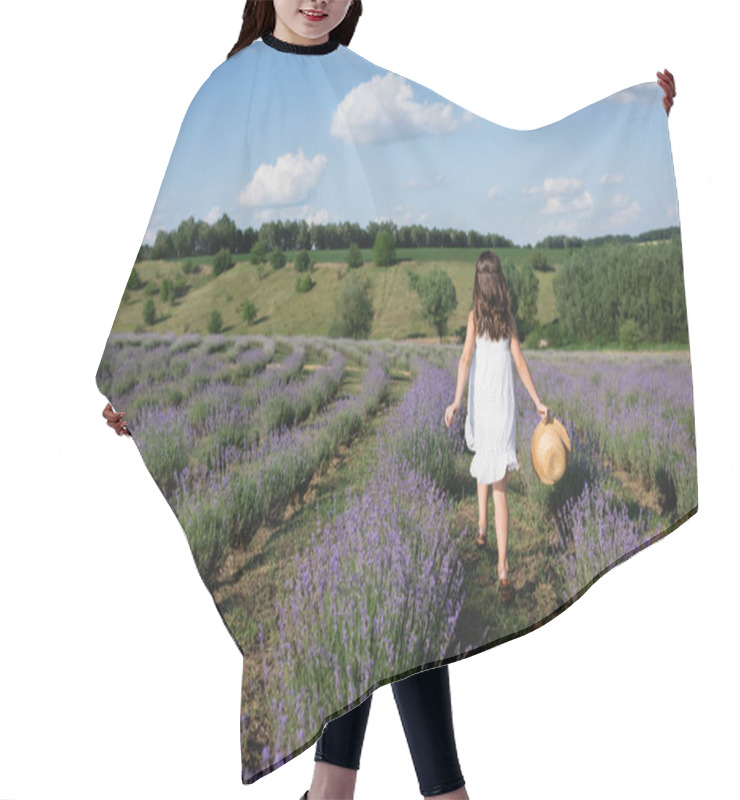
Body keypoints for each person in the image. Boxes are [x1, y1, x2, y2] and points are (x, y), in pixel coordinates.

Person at [100, 2, 677, 798]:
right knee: (389, 611)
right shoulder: (226, 92)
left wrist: (632, 118)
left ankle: (345, 790)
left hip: (415, 354)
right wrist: (140, 388)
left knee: (390, 610)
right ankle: (416, 791)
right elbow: (173, 228)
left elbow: (485, 160)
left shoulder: (366, 85)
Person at [444, 251, 549, 606]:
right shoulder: (507, 320)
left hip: (482, 407)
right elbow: (520, 362)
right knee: (499, 485)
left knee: (483, 466)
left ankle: (481, 527)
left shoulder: (475, 318)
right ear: (500, 282)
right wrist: (536, 401)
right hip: (503, 409)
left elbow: (464, 359)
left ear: (478, 281)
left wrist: (457, 401)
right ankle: (503, 568)